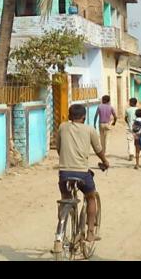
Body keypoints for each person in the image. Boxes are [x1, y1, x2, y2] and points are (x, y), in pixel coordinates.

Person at [55, 103, 109, 253]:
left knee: (65, 198)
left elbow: (59, 148)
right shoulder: (90, 130)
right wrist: (105, 161)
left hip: (64, 173)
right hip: (82, 173)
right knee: (91, 197)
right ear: (84, 117)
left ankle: (60, 229)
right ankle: (90, 231)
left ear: (70, 116)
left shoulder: (62, 127)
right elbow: (98, 150)